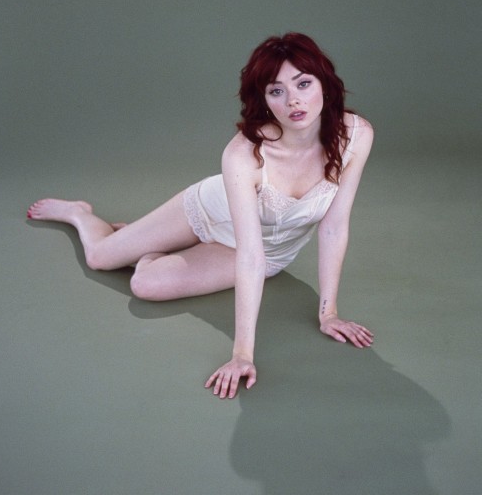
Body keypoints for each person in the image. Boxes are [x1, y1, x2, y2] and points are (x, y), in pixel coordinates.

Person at [27, 32, 374, 399]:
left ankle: (146, 244)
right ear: (264, 99)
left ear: (324, 83)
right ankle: (80, 214)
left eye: (303, 84)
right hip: (206, 211)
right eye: (277, 91)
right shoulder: (244, 154)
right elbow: (249, 254)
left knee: (145, 285)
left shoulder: (355, 135)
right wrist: (242, 354)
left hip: (265, 251)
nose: (293, 100)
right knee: (99, 258)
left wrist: (329, 313)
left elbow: (333, 228)